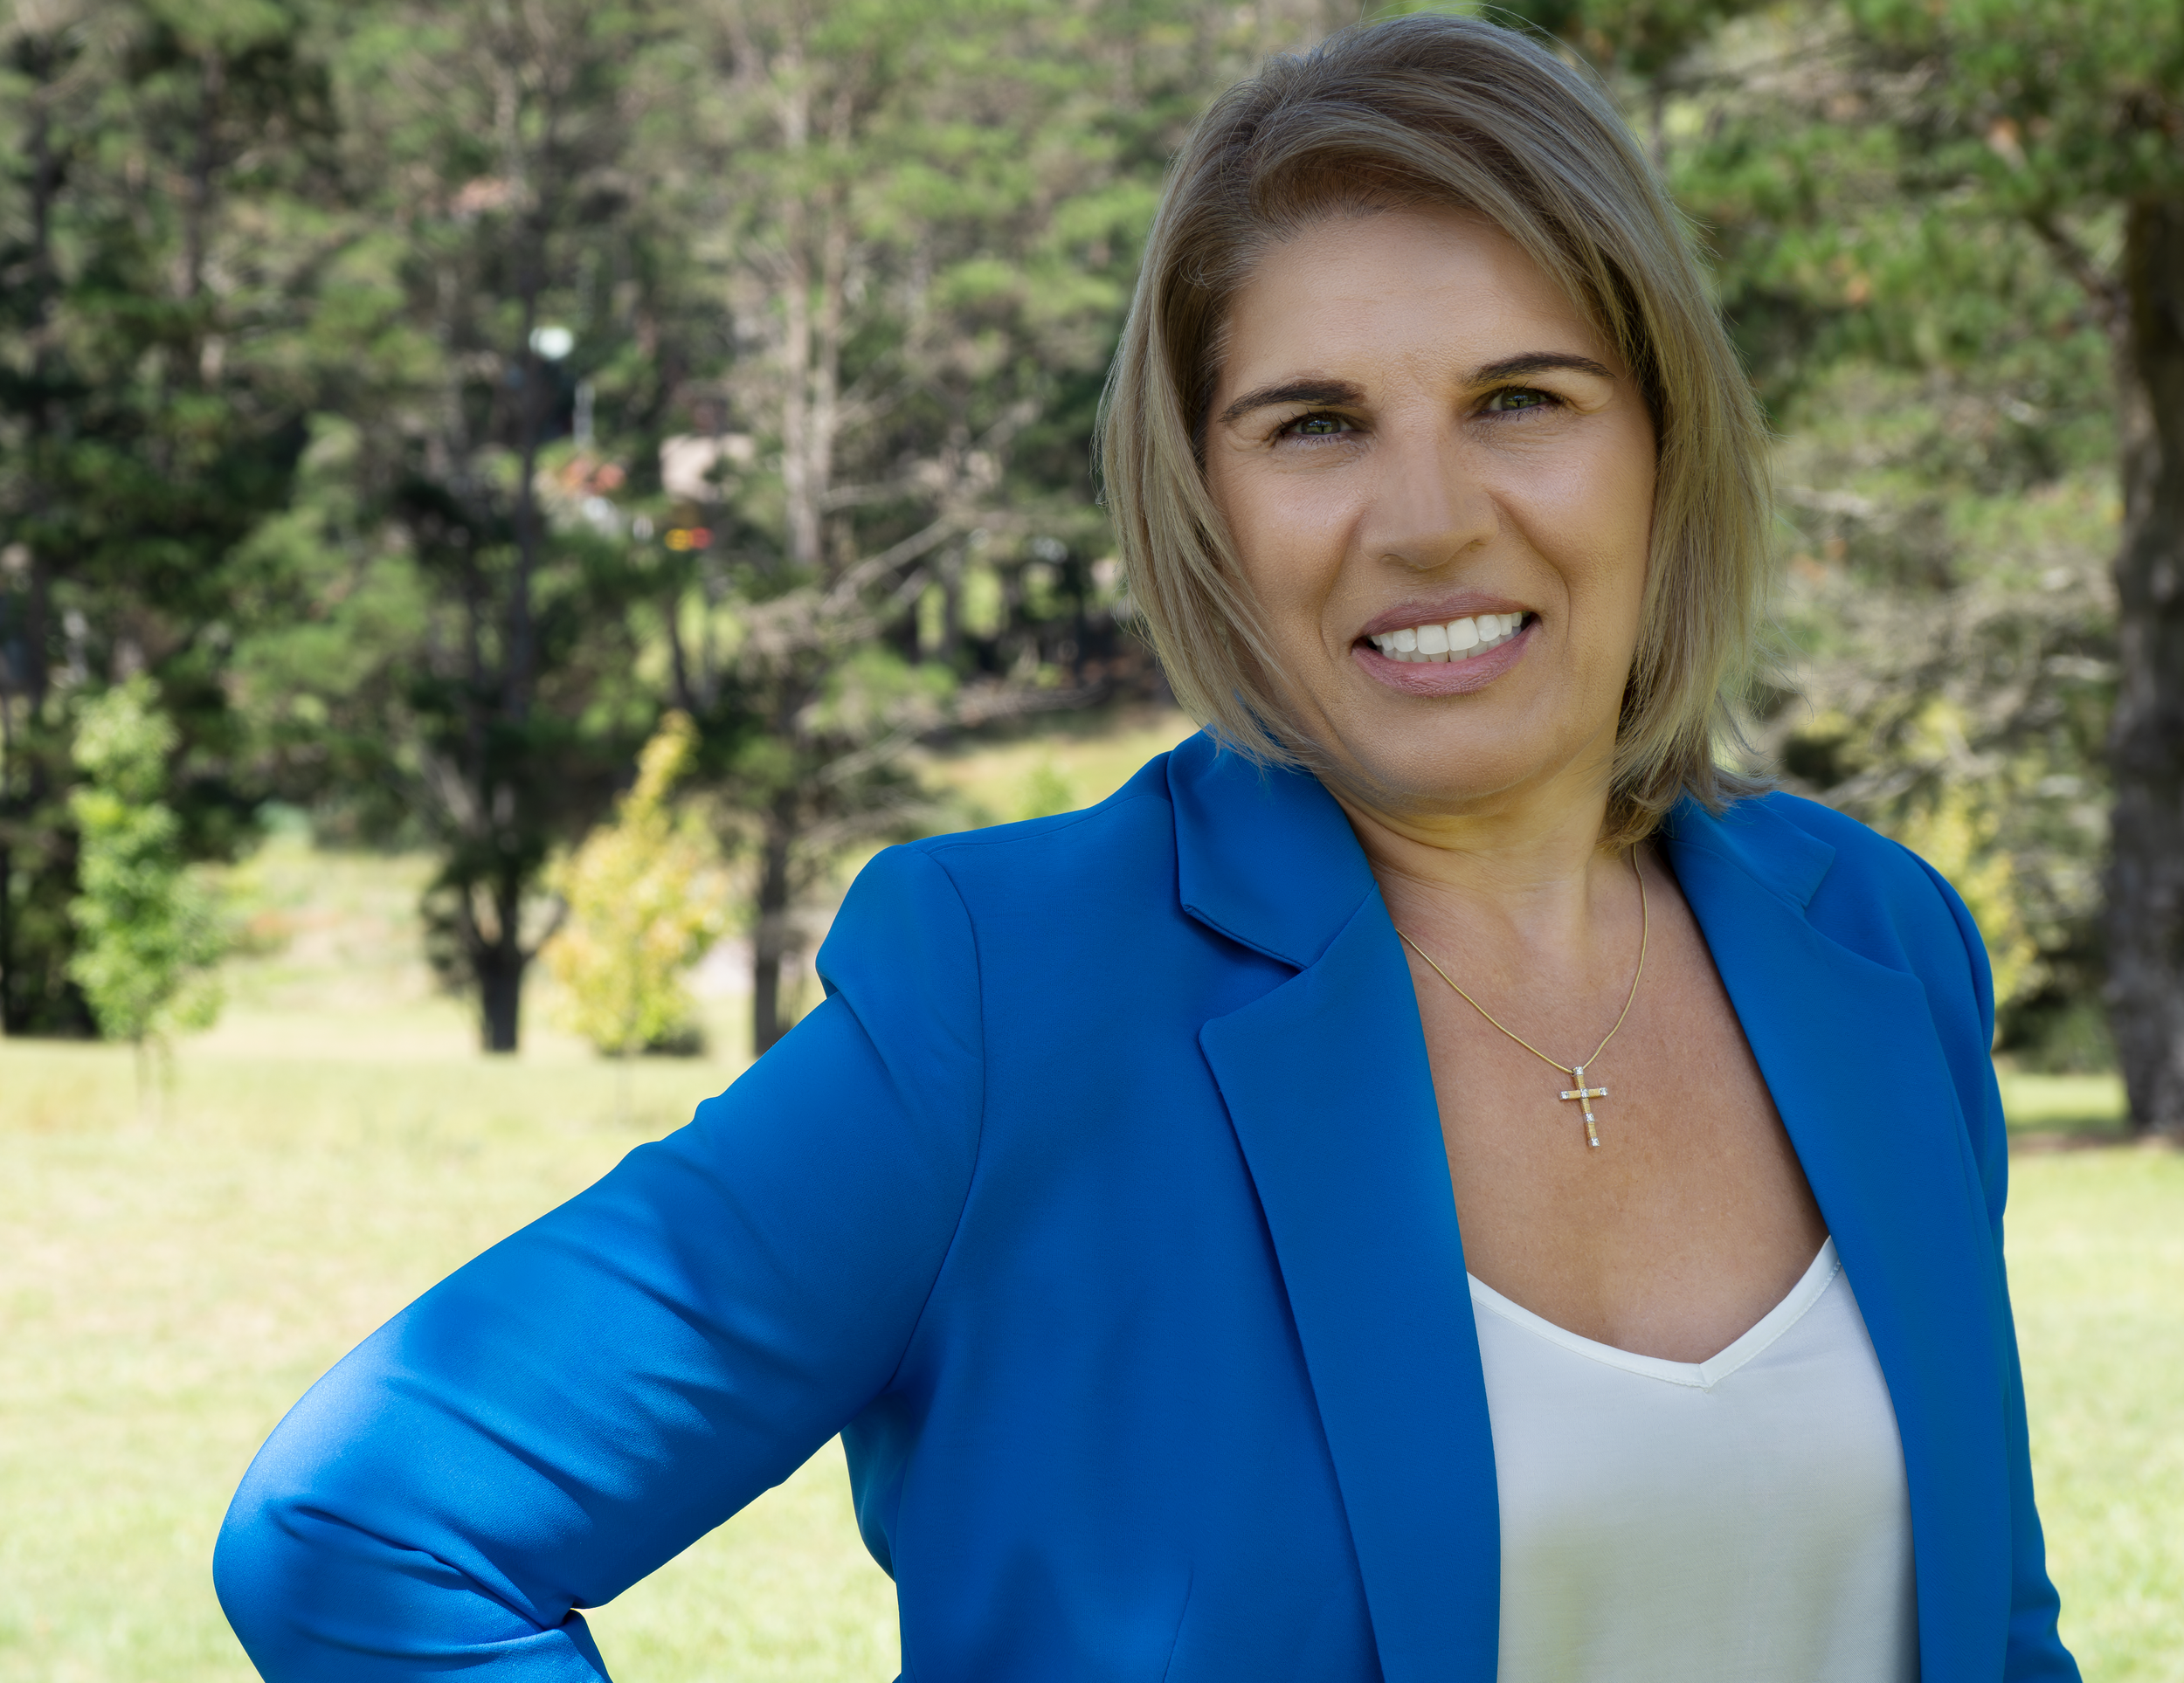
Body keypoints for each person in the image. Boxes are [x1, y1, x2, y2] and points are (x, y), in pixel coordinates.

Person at [214, 15, 2080, 1681]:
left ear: (1662, 438)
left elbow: (1991, 1634)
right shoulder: (1008, 996)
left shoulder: (1877, 947)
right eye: (1315, 425)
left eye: (1520, 397)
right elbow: (369, 1531)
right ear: (1203, 502)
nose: (1429, 518)